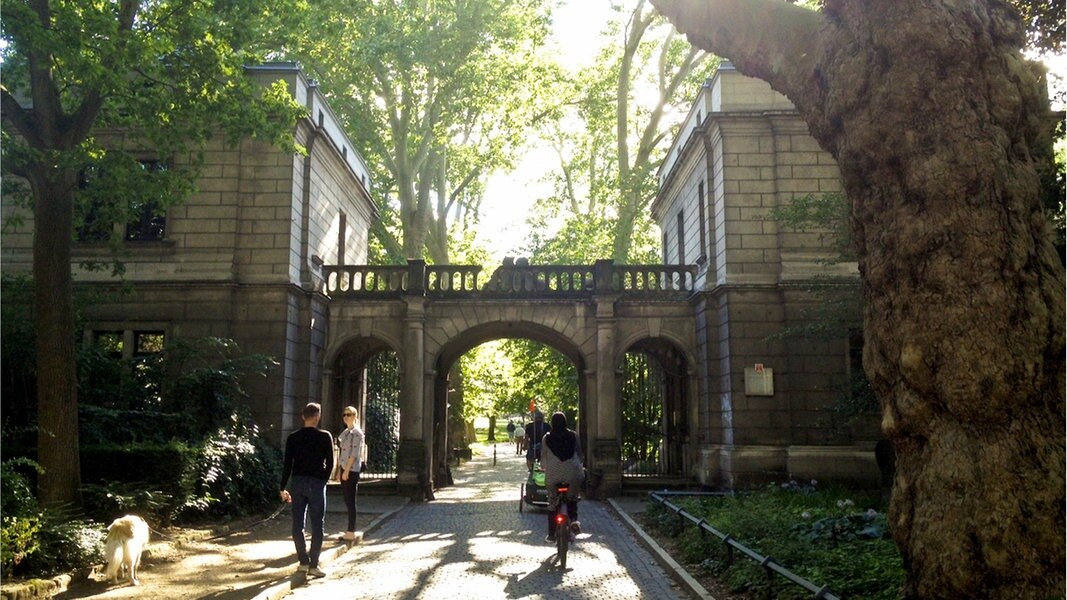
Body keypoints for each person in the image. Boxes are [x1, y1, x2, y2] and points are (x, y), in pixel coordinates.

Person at [279, 402, 334, 578]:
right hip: (317, 483)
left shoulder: (293, 437)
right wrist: (323, 480)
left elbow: (287, 464)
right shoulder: (325, 436)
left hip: (298, 483)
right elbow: (331, 463)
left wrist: (282, 488)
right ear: (317, 416)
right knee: (318, 525)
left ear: (303, 416)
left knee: (297, 524)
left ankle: (303, 561)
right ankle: (314, 565)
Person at [541, 411, 583, 542]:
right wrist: (581, 464)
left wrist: (544, 467)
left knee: (552, 503)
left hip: (553, 474)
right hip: (573, 473)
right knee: (573, 498)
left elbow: (543, 458)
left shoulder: (546, 438)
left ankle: (552, 534)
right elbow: (580, 454)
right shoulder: (573, 436)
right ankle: (574, 520)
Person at [336, 405, 365, 542]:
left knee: (351, 500)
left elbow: (353, 454)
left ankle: (351, 531)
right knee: (347, 500)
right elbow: (342, 451)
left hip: (351, 469)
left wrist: (346, 470)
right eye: (344, 415)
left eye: (349, 414)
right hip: (344, 468)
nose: (346, 417)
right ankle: (349, 529)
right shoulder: (346, 432)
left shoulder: (357, 433)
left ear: (355, 416)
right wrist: (339, 470)